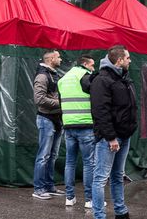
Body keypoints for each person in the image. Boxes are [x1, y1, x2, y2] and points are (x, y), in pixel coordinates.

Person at [91, 45, 136, 219]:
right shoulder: (102, 80)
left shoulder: (123, 78)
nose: (130, 60)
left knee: (118, 175)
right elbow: (100, 111)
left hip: (124, 135)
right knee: (101, 178)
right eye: (128, 58)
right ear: (119, 60)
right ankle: (99, 215)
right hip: (110, 138)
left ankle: (120, 210)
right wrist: (110, 137)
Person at [58, 54, 96, 207]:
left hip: (68, 126)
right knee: (88, 163)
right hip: (85, 125)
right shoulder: (85, 76)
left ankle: (69, 197)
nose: (94, 68)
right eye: (92, 65)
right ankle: (89, 200)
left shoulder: (63, 79)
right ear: (85, 64)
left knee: (70, 162)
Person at [32, 49, 64, 200]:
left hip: (56, 119)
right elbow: (39, 100)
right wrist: (60, 103)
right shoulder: (42, 76)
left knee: (52, 156)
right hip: (46, 119)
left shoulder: (52, 74)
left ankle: (49, 186)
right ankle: (38, 189)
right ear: (51, 59)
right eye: (58, 57)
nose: (61, 59)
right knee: (43, 156)